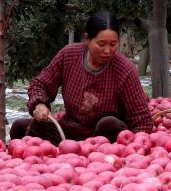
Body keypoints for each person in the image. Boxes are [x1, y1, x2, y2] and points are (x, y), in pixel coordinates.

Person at [9, 12, 153, 143]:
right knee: (20, 127)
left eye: (113, 44)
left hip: (107, 139)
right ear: (86, 39)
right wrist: (39, 104)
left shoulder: (124, 69)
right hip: (70, 132)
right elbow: (40, 84)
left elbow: (142, 120)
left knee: (109, 123)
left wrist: (134, 148)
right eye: (101, 44)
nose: (107, 51)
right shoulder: (68, 56)